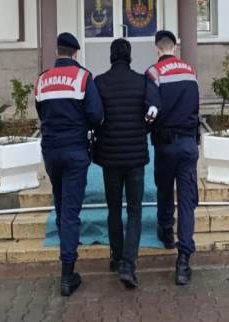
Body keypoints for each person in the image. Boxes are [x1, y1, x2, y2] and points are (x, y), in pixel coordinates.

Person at [35, 32, 104, 297]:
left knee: (62, 203)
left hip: (51, 151)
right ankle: (67, 275)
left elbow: (41, 112)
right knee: (71, 211)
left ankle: (67, 254)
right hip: (75, 151)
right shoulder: (83, 78)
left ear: (58, 52)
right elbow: (96, 116)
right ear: (75, 53)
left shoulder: (42, 80)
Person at [92, 39, 151, 289]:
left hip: (110, 158)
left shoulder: (99, 82)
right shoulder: (142, 81)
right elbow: (151, 114)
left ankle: (117, 258)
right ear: (129, 56)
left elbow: (94, 116)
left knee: (114, 209)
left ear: (111, 56)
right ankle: (128, 264)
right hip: (136, 158)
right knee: (135, 211)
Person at [144, 30, 200, 286]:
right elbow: (196, 107)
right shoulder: (190, 71)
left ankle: (166, 232)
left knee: (165, 189)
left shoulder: (153, 73)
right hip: (188, 144)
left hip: (166, 145)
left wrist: (145, 129)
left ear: (157, 48)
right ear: (175, 48)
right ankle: (183, 261)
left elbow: (151, 110)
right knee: (187, 201)